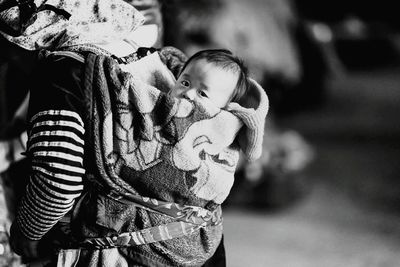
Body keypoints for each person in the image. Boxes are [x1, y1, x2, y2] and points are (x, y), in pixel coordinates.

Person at [0, 1, 269, 266]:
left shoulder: (68, 70)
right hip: (203, 244)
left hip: (129, 252)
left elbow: (58, 182)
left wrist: (26, 233)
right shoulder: (159, 60)